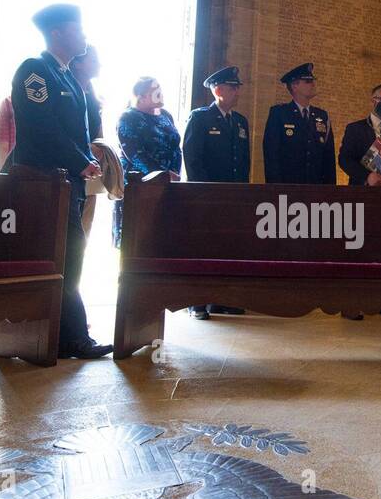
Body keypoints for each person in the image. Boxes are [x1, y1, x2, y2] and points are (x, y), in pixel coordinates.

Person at [10, 3, 110, 359]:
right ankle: (70, 338)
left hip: (68, 183)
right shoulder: (36, 71)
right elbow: (42, 128)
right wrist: (80, 161)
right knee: (63, 255)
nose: (83, 35)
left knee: (71, 257)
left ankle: (66, 337)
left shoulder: (68, 77)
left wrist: (84, 164)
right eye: (77, 29)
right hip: (42, 181)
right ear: (57, 33)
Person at [182, 65, 251, 319]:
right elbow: (192, 157)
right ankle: (197, 301)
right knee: (204, 248)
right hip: (207, 196)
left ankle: (221, 299)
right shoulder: (200, 118)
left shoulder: (240, 121)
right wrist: (204, 192)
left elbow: (243, 161)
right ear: (218, 90)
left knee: (227, 247)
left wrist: (241, 194)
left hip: (232, 198)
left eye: (238, 87)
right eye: (233, 88)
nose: (237, 92)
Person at [113, 76, 182, 249]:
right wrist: (161, 176)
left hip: (169, 184)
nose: (160, 95)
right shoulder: (128, 117)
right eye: (155, 92)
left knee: (164, 238)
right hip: (139, 185)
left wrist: (173, 174)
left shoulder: (165, 115)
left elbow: (176, 146)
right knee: (136, 240)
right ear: (141, 96)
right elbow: (134, 153)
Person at [262, 62, 336, 184]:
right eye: (308, 82)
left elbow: (328, 158)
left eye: (312, 81)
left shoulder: (322, 116)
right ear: (294, 86)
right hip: (288, 187)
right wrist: (274, 189)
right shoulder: (279, 114)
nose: (313, 84)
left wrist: (330, 191)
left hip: (316, 189)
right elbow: (272, 155)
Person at [69, 47, 106, 238]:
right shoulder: (65, 89)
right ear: (77, 64)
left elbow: (97, 131)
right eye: (93, 60)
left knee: (85, 228)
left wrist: (99, 147)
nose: (99, 64)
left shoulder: (92, 96)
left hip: (90, 166)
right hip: (68, 167)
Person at [0, 95, 15, 170]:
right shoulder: (47, 107)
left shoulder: (7, 104)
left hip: (15, 171)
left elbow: (3, 146)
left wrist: (4, 178)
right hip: (44, 174)